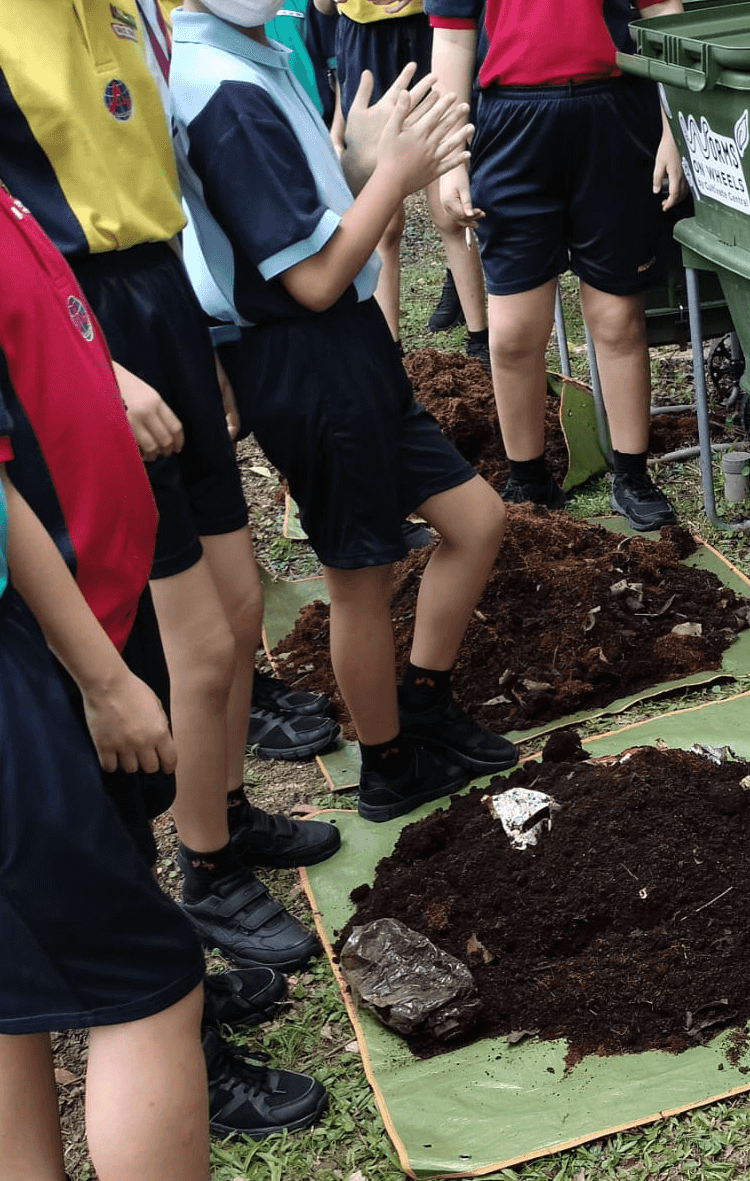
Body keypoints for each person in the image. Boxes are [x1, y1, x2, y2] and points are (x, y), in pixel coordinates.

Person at [0, 185, 370, 1181]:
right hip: (27, 667)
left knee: (20, 974)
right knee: (147, 983)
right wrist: (103, 678)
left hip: (51, 639)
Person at [0, 5, 339, 977]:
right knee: (183, 636)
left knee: (238, 609)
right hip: (68, 315)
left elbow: (152, 167)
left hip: (160, 300)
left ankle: (222, 811)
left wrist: (194, 325)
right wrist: (93, 364)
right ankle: (201, 868)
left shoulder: (131, 8)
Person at [169, 0, 518, 823]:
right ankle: (389, 762)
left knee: (478, 520)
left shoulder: (253, 54)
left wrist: (359, 167)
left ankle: (424, 706)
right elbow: (313, 278)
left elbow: (308, 223)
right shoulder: (218, 87)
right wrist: (396, 172)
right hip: (306, 357)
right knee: (362, 578)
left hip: (348, 346)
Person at [428, 0, 685, 527]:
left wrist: (672, 125)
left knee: (617, 319)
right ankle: (527, 477)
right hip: (510, 127)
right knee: (513, 333)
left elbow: (664, 16)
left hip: (615, 114)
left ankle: (632, 474)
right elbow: (453, 39)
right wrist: (451, 159)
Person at [311, 0, 489, 358]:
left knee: (447, 207)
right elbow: (324, 7)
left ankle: (480, 342)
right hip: (363, 39)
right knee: (384, 221)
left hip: (431, 27)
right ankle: (390, 352)